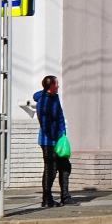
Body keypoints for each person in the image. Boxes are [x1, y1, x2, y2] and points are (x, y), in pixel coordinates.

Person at [32, 75, 71, 208]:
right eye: (57, 83)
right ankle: (47, 198)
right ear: (51, 85)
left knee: (65, 166)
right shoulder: (43, 101)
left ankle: (65, 197)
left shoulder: (55, 98)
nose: (58, 86)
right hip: (48, 141)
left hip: (58, 139)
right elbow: (45, 123)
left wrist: (63, 132)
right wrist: (57, 135)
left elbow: (60, 115)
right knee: (51, 169)